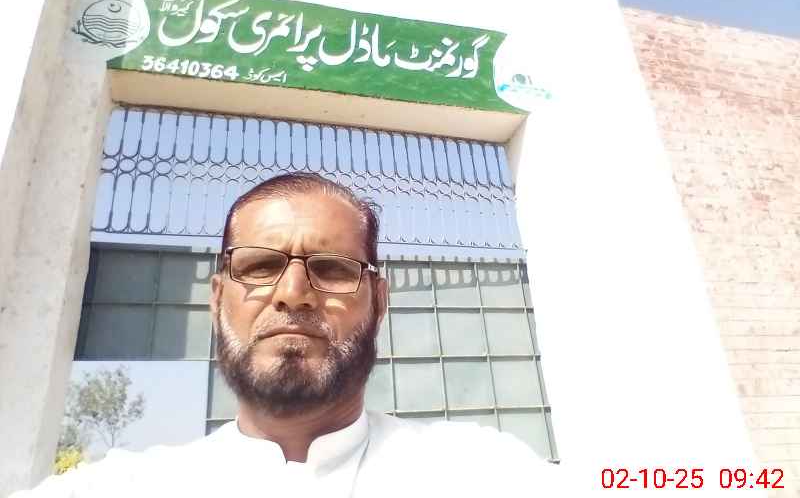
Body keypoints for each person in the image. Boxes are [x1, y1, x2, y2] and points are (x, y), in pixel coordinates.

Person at [12, 173, 560, 497]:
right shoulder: (127, 487)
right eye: (258, 266)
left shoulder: (482, 473)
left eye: (334, 269)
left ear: (379, 302)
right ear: (216, 299)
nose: (293, 293)